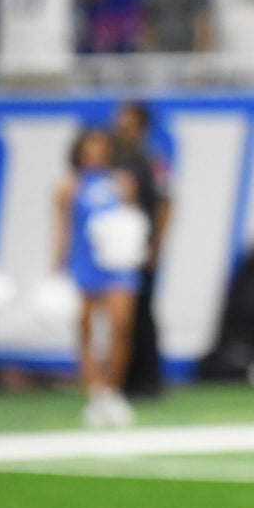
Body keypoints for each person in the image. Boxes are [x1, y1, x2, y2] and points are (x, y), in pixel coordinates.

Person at [52, 126, 138, 427]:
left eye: (99, 147)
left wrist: (132, 251)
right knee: (85, 330)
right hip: (83, 262)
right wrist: (58, 268)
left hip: (116, 263)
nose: (94, 153)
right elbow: (63, 229)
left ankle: (113, 390)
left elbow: (130, 221)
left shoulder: (121, 182)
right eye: (88, 148)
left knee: (121, 326)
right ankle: (94, 394)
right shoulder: (69, 186)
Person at [109, 100, 170, 399]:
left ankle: (147, 380)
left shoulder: (152, 160)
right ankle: (119, 379)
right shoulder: (112, 160)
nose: (122, 129)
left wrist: (154, 245)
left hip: (139, 248)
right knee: (119, 318)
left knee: (142, 313)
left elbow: (165, 204)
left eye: (128, 124)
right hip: (112, 251)